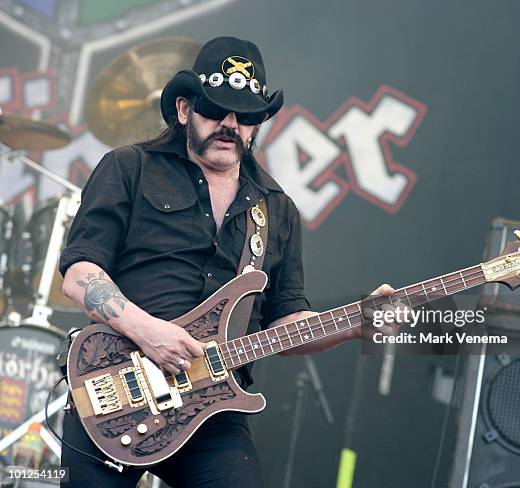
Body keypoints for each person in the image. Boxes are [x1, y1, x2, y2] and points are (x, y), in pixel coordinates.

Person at [59, 36, 397, 487]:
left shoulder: (277, 210)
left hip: (212, 409)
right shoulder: (129, 168)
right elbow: (80, 274)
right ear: (184, 110)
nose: (229, 125)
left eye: (246, 116)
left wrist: (357, 324)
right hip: (116, 387)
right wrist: (149, 332)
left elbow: (286, 321)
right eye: (216, 109)